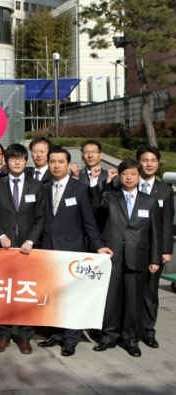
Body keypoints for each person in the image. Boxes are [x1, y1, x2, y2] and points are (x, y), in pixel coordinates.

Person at [36, 147, 113, 356]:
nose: (56, 165)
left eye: (61, 161)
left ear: (69, 164)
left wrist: (98, 246)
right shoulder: (42, 188)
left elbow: (89, 221)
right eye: (52, 161)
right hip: (48, 250)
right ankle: (56, 334)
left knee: (72, 297)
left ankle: (71, 339)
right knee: (52, 295)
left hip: (72, 251)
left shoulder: (79, 189)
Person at [89, 159, 162, 357]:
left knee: (134, 299)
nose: (129, 177)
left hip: (138, 255)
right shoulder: (111, 197)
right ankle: (109, 336)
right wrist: (95, 181)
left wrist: (155, 259)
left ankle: (131, 339)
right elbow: (96, 203)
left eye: (133, 174)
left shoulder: (149, 201)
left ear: (139, 176)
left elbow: (155, 232)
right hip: (113, 255)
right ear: (119, 176)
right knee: (111, 297)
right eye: (125, 174)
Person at [0, 143, 46, 354]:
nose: (17, 162)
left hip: (28, 249)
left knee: (26, 293)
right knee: (3, 293)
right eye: (13, 159)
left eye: (20, 158)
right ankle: (3, 335)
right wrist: (0, 235)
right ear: (6, 162)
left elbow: (40, 217)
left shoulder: (36, 186)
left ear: (25, 161)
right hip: (4, 250)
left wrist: (31, 241)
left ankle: (25, 336)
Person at [136, 145, 174, 349]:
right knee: (131, 291)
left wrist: (166, 250)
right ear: (138, 162)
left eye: (153, 160)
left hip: (154, 249)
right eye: (145, 160)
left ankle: (148, 331)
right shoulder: (128, 183)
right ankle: (131, 329)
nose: (149, 164)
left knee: (150, 292)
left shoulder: (165, 190)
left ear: (158, 163)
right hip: (132, 247)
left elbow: (167, 223)